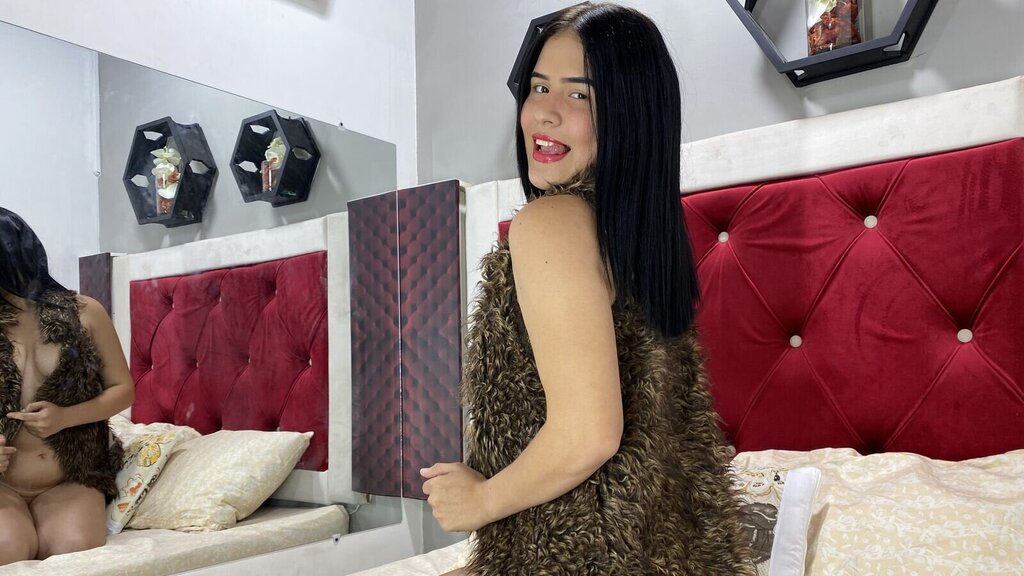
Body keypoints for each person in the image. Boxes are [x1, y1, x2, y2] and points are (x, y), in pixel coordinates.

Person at [420, 3, 754, 575]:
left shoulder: (552, 223)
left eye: (579, 95)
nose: (543, 113)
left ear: (630, 116)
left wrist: (482, 501)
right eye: (539, 87)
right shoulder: (639, 243)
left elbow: (588, 434)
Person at [0, 207, 131, 565]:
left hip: (70, 479)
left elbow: (123, 389)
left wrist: (65, 417)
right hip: (3, 485)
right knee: (7, 549)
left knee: (74, 551)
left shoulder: (85, 312)